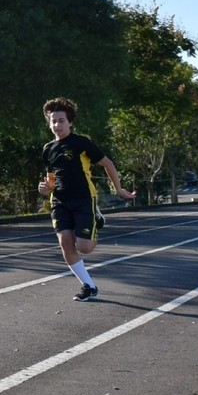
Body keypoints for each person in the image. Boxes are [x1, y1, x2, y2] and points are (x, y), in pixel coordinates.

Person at [37, 97, 135, 301]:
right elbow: (50, 181)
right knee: (65, 244)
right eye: (53, 121)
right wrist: (45, 189)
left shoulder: (82, 143)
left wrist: (118, 189)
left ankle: (96, 220)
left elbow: (108, 164)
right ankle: (88, 286)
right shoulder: (48, 149)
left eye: (61, 120)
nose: (57, 125)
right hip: (60, 202)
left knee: (85, 247)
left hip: (83, 198)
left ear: (70, 122)